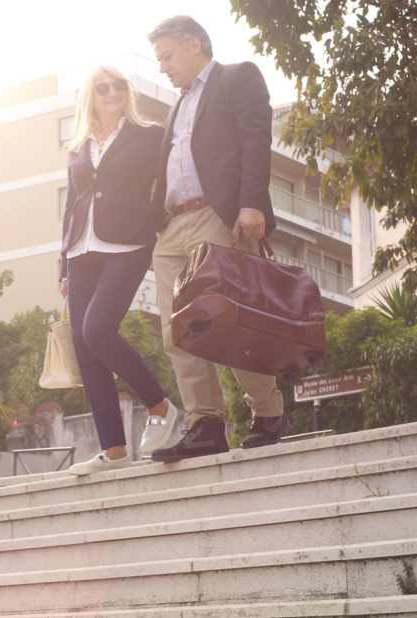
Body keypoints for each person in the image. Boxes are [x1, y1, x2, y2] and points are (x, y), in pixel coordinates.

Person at [147, 16, 289, 462]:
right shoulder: (176, 105)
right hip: (173, 226)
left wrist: (251, 203)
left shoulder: (236, 76)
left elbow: (254, 138)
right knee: (177, 331)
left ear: (194, 45)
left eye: (167, 56)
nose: (163, 67)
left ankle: (267, 412)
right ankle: (205, 423)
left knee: (231, 321)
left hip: (218, 215)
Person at [60, 66, 179, 476]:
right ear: (90, 98)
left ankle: (160, 406)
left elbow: (168, 180)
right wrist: (63, 264)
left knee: (98, 330)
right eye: (102, 88)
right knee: (83, 343)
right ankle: (113, 450)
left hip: (128, 245)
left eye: (118, 85)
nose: (112, 92)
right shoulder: (77, 146)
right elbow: (72, 204)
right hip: (81, 251)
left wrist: (155, 220)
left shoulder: (149, 134)